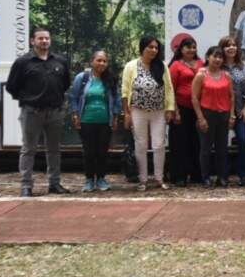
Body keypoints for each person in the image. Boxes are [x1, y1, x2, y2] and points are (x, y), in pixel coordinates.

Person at [6, 27, 71, 197]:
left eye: (47, 38)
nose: (44, 41)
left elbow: (65, 84)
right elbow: (12, 87)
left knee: (54, 150)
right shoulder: (22, 62)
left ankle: (54, 184)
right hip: (31, 112)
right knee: (29, 149)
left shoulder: (60, 61)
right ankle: (26, 186)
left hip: (55, 112)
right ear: (32, 41)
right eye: (40, 38)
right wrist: (29, 99)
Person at [122, 35, 175, 192]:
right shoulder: (131, 66)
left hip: (158, 111)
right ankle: (143, 179)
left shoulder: (162, 66)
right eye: (150, 47)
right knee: (141, 145)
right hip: (138, 110)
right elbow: (125, 91)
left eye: (156, 48)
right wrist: (126, 113)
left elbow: (169, 88)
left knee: (159, 144)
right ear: (142, 48)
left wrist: (170, 108)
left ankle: (159, 179)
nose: (153, 50)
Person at [69, 50, 121, 193]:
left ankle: (101, 179)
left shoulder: (111, 79)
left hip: (105, 122)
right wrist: (75, 115)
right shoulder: (82, 78)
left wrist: (116, 117)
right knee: (89, 152)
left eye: (104, 61)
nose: (102, 63)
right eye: (99, 60)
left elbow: (117, 99)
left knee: (102, 152)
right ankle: (89, 180)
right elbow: (73, 97)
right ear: (92, 61)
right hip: (86, 121)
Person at [192, 46, 235, 187]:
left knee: (222, 149)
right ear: (207, 57)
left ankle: (222, 177)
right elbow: (194, 98)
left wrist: (232, 115)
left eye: (220, 57)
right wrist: (201, 118)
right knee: (205, 149)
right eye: (215, 56)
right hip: (207, 115)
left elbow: (232, 97)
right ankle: (206, 177)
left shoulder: (226, 75)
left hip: (223, 116)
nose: (218, 59)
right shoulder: (201, 75)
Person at [168, 37, 203, 187]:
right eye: (188, 47)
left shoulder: (201, 64)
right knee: (180, 144)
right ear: (181, 49)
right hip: (181, 109)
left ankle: (196, 174)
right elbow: (171, 90)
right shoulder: (175, 66)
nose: (191, 50)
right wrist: (175, 111)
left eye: (193, 47)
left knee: (197, 143)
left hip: (199, 110)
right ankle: (179, 176)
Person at [220, 35, 245, 186]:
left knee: (243, 141)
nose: (231, 48)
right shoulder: (217, 66)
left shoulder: (244, 66)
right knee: (221, 144)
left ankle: (244, 175)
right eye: (228, 45)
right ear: (222, 49)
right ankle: (223, 176)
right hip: (221, 112)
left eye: (234, 45)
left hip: (241, 111)